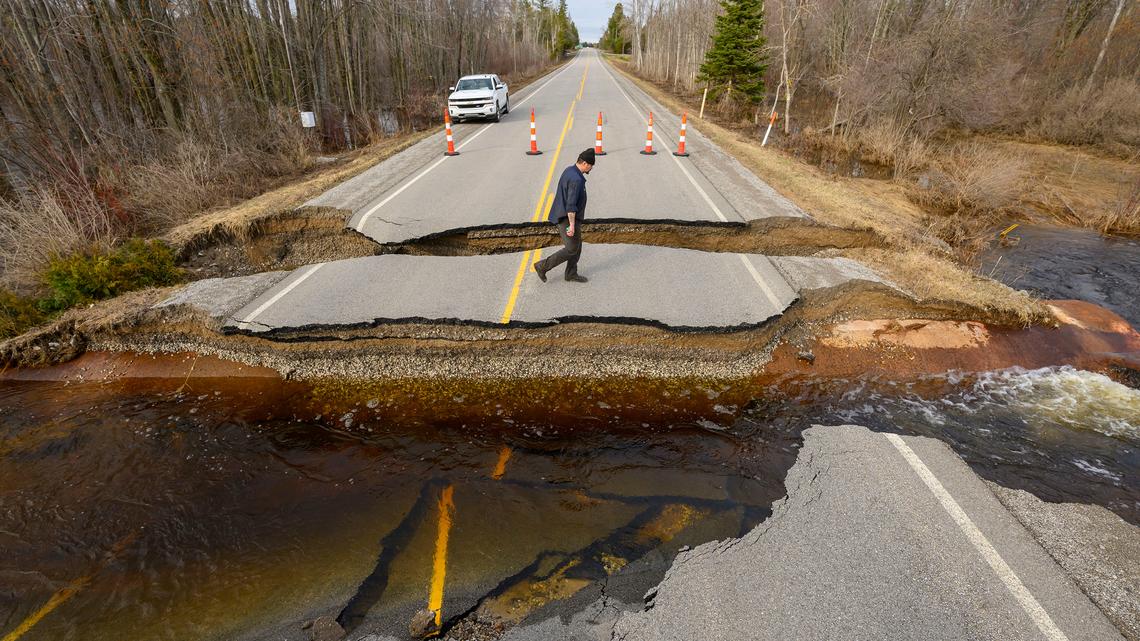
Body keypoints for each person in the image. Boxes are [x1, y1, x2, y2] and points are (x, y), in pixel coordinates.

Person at [533, 148, 594, 283]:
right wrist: (571, 225)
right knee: (572, 248)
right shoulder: (576, 179)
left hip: (569, 216)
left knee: (577, 246)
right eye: (591, 166)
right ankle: (542, 266)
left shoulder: (570, 170)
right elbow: (571, 205)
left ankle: (571, 273)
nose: (591, 169)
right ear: (585, 164)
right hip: (566, 217)